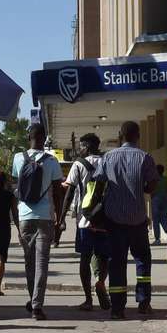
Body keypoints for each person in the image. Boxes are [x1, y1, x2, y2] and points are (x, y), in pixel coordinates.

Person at [92, 121, 159, 319]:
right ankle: (143, 301)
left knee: (116, 263)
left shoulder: (108, 157)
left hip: (114, 220)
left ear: (121, 135)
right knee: (143, 260)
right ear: (138, 135)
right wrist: (144, 189)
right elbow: (153, 184)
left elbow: (98, 183)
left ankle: (117, 309)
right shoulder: (145, 157)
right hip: (138, 219)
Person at [12, 124, 64, 320]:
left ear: (29, 137)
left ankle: (32, 299)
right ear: (44, 138)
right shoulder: (52, 161)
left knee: (29, 262)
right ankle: (37, 305)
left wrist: (16, 219)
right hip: (44, 217)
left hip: (25, 216)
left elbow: (16, 188)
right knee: (42, 263)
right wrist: (59, 217)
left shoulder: (18, 158)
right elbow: (58, 192)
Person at [59, 133, 108, 310]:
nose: (79, 149)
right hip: (103, 218)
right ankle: (101, 281)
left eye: (81, 146)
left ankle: (88, 299)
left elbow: (69, 193)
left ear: (87, 146)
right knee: (103, 256)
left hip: (84, 220)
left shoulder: (78, 164)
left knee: (85, 258)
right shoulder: (106, 161)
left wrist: (61, 218)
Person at [150, 164, 167, 245]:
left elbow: (150, 189)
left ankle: (157, 239)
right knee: (163, 219)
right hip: (165, 199)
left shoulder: (154, 179)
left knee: (155, 220)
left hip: (156, 199)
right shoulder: (166, 179)